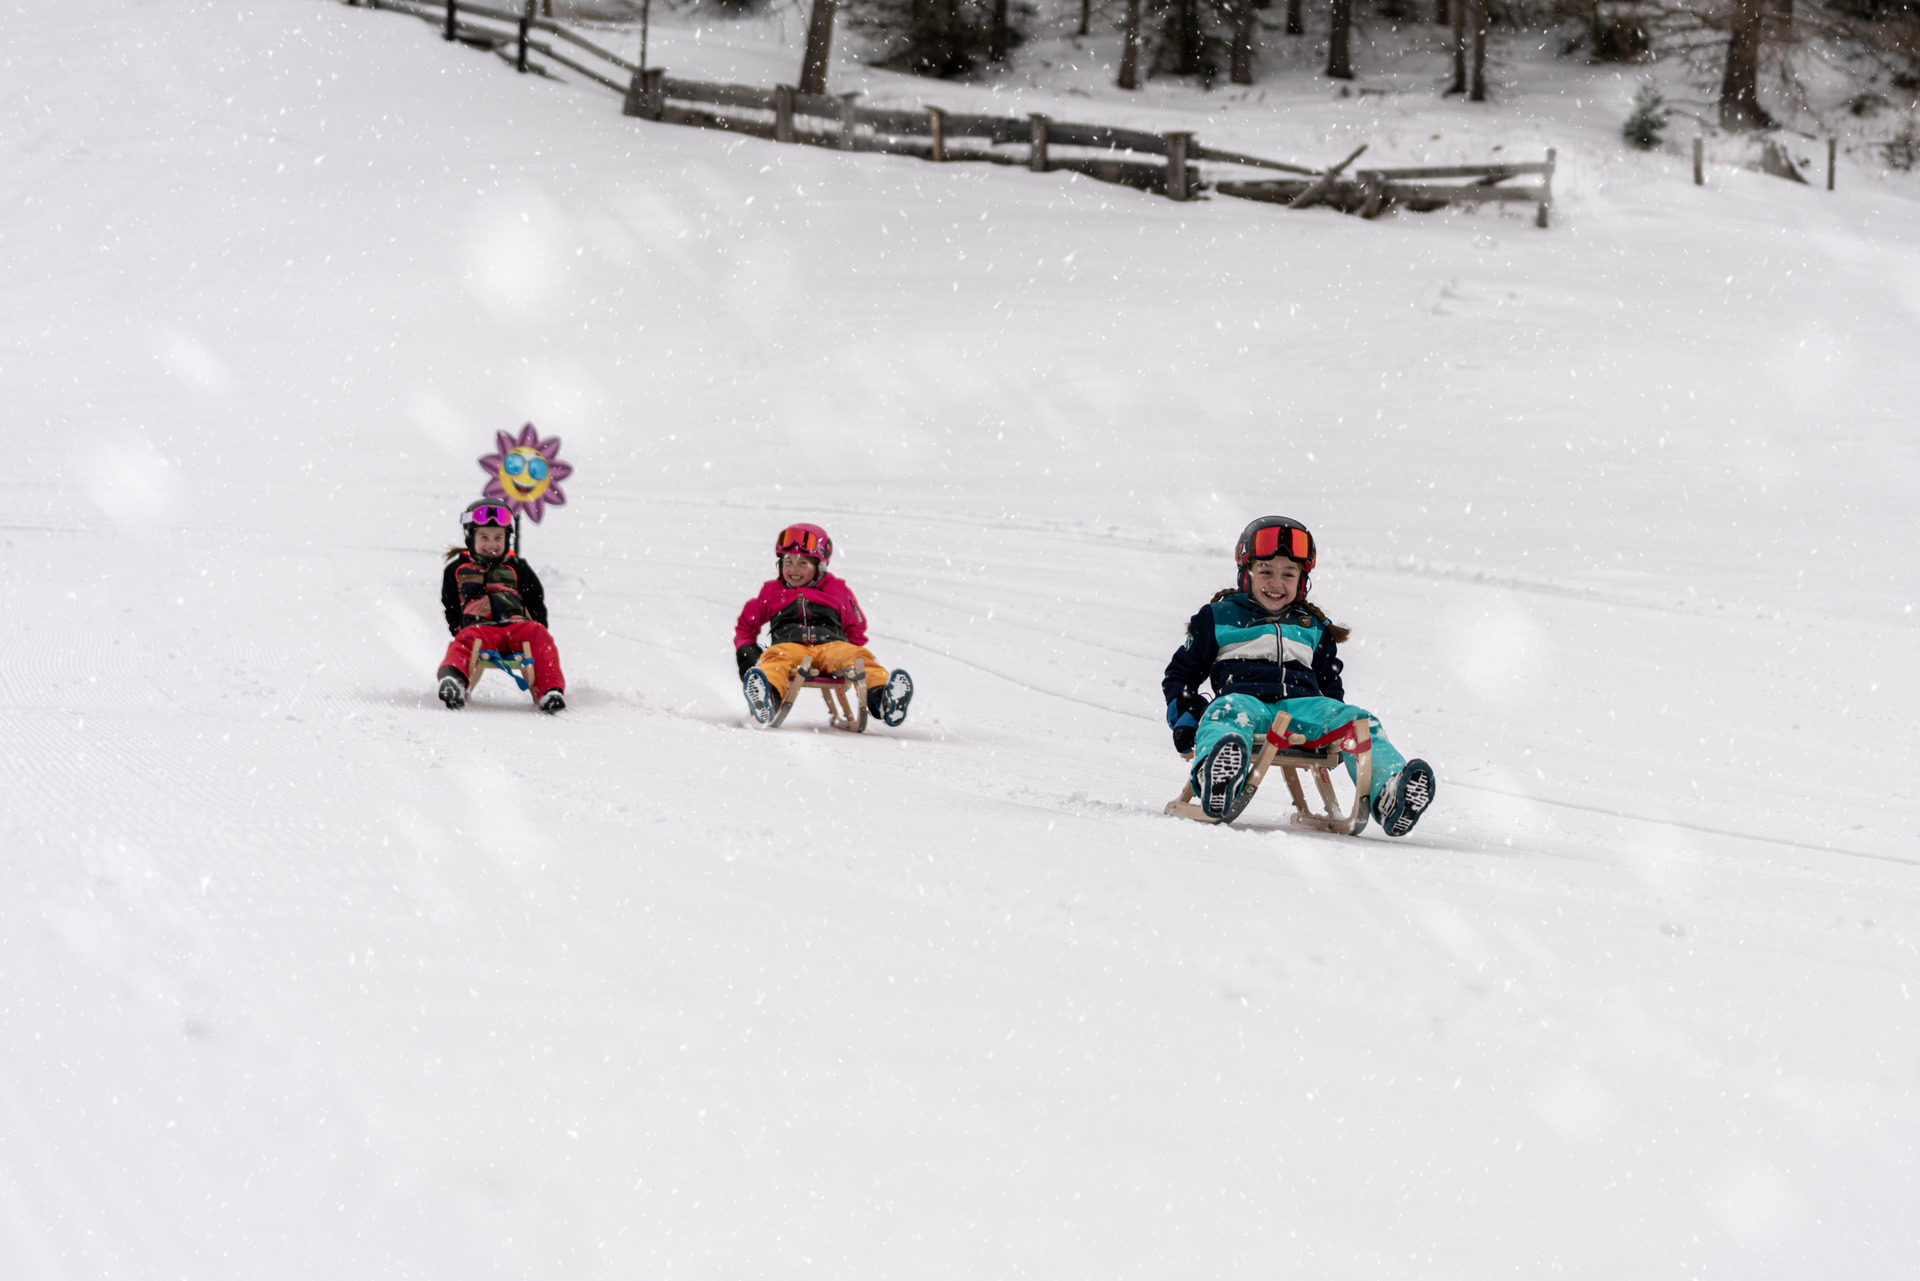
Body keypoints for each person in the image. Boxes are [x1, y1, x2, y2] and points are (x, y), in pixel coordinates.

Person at [1161, 516, 1434, 834]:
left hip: (1302, 709)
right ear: (1245, 573)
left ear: (1302, 581)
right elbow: (1180, 674)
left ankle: (1389, 792)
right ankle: (1217, 776)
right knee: (1224, 713)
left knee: (1359, 721)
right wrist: (1186, 717)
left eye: (1288, 575)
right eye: (1266, 571)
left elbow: (1330, 683)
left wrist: (1334, 722)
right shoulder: (1218, 618)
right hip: (1245, 704)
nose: (1276, 583)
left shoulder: (1313, 627)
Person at [733, 523, 913, 727]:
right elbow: (746, 625)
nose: (793, 569)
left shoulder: (836, 590)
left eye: (803, 563)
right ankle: (767, 700)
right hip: (789, 646)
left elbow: (855, 626)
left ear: (820, 566)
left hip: (830, 646)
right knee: (774, 660)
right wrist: (746, 651)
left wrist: (849, 656)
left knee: (860, 658)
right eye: (788, 561)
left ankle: (883, 700)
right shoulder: (772, 592)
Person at [436, 501, 567, 713]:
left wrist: (536, 625)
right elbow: (450, 602)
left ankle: (549, 690)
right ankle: (453, 681)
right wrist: (458, 629)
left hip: (516, 627)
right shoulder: (457, 569)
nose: (492, 544)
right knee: (462, 643)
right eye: (484, 537)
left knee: (539, 635)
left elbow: (535, 600)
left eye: (498, 537)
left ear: (507, 539)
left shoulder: (517, 567)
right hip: (480, 629)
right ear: (471, 538)